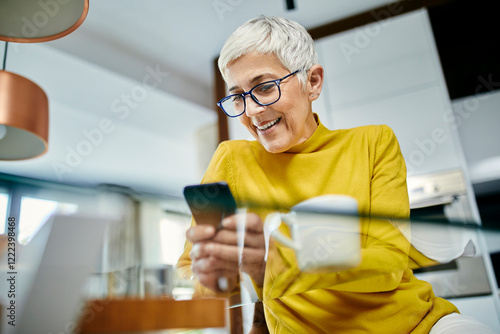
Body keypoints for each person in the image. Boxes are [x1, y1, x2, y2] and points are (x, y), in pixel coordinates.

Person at [177, 16, 497, 334]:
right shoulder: (232, 159)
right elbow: (193, 275)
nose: (251, 111)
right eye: (238, 96)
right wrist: (221, 275)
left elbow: (387, 266)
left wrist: (272, 264)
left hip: (416, 325)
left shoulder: (373, 142)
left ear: (313, 82)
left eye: (264, 87)